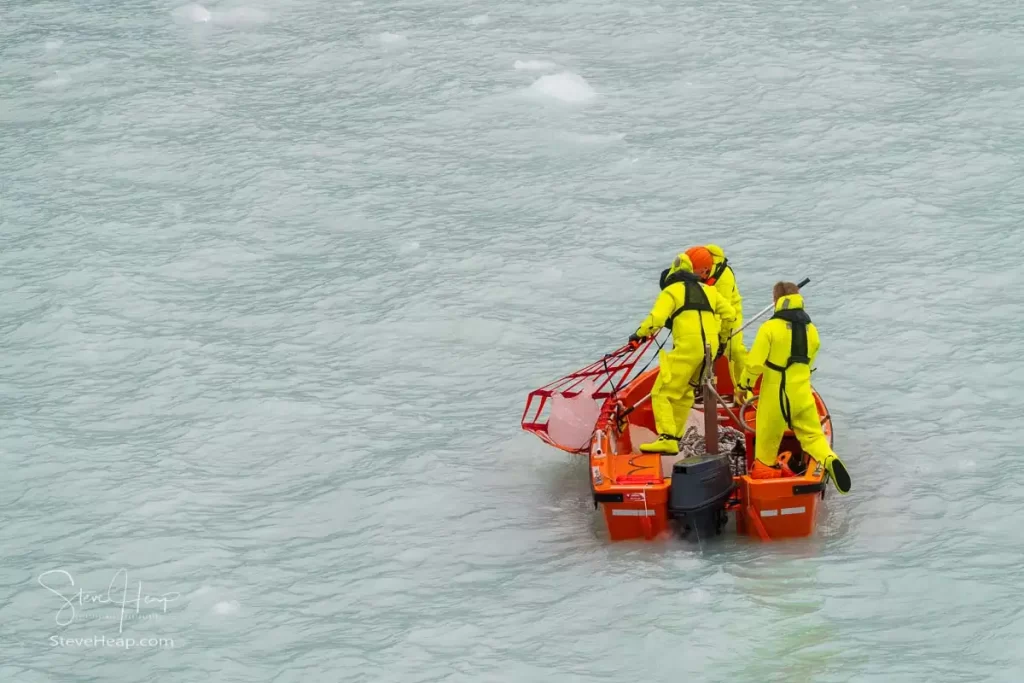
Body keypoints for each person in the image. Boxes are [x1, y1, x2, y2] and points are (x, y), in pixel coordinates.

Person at [736, 282, 851, 493]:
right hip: (802, 393)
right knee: (813, 437)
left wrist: (744, 385)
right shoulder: (812, 330)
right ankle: (828, 458)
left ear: (776, 301)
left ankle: (769, 493)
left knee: (766, 450)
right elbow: (809, 364)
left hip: (776, 396)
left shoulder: (769, 328)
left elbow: (754, 364)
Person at [630, 252, 736, 454]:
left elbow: (657, 319)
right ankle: (674, 437)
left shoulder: (671, 292)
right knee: (685, 393)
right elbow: (730, 314)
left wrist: (639, 334)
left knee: (661, 392)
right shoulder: (709, 291)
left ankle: (668, 437)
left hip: (688, 347)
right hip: (710, 350)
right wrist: (722, 340)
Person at [700, 245, 748, 391]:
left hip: (730, 316)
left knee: (734, 351)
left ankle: (743, 387)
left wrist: (722, 340)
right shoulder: (697, 268)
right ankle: (698, 388)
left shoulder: (724, 277)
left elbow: (726, 314)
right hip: (706, 315)